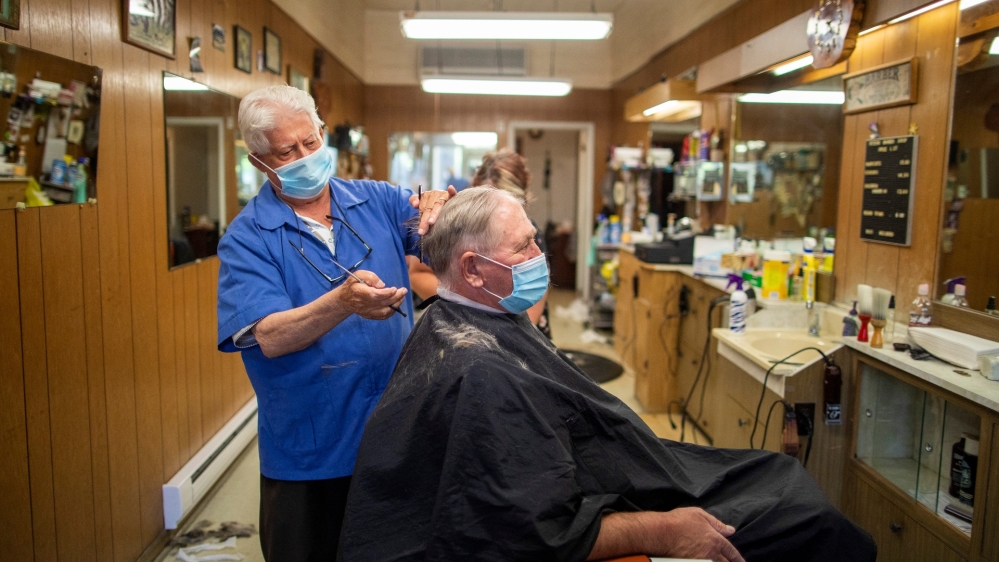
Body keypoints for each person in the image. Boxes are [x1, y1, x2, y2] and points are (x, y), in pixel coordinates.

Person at [339, 186, 877, 562]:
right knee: (812, 522)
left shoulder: (463, 319)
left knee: (774, 476)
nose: (540, 256)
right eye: (524, 245)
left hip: (584, 469)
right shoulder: (481, 372)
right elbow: (533, 533)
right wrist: (665, 528)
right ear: (474, 269)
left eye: (536, 240)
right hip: (588, 502)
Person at [215, 85, 450, 562]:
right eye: (287, 151)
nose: (305, 156)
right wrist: (342, 302)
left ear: (323, 133)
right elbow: (269, 336)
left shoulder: (377, 201)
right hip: (311, 449)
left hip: (392, 435)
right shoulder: (247, 238)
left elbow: (442, 242)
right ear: (260, 161)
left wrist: (444, 211)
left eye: (311, 142)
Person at [471, 148, 551, 338]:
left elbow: (533, 307)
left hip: (522, 337)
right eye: (490, 204)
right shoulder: (465, 234)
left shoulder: (531, 236)